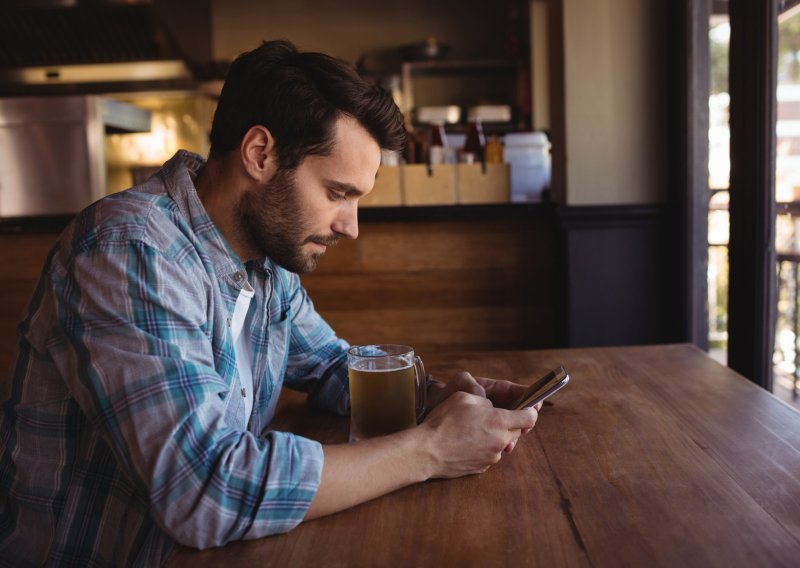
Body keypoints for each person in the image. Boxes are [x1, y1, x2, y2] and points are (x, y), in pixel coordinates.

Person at [0, 39, 539, 566]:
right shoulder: (129, 250)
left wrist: (438, 396)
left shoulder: (263, 262)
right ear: (260, 154)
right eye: (338, 193)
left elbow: (335, 368)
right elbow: (204, 490)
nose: (351, 228)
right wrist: (431, 449)